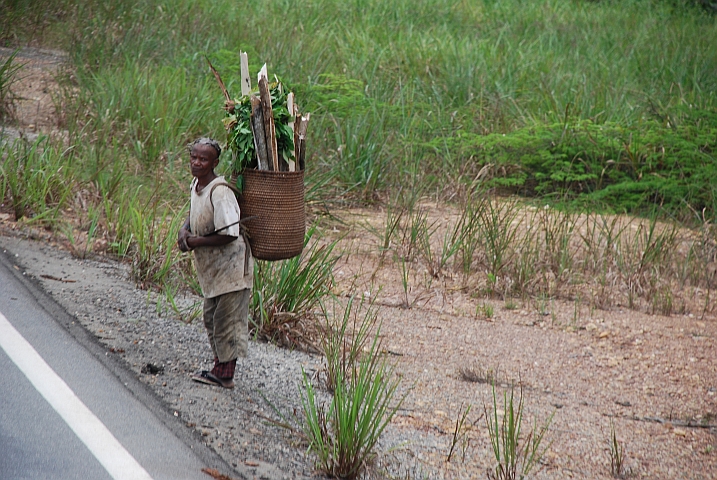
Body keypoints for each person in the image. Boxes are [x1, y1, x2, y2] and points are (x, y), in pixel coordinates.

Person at [177, 137, 253, 389]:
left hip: (232, 268)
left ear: (215, 163)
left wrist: (195, 241)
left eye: (203, 159)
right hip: (215, 270)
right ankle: (219, 367)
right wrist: (184, 230)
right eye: (194, 157)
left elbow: (229, 233)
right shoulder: (196, 185)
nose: (197, 163)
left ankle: (224, 375)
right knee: (212, 317)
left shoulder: (220, 192)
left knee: (227, 321)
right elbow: (193, 212)